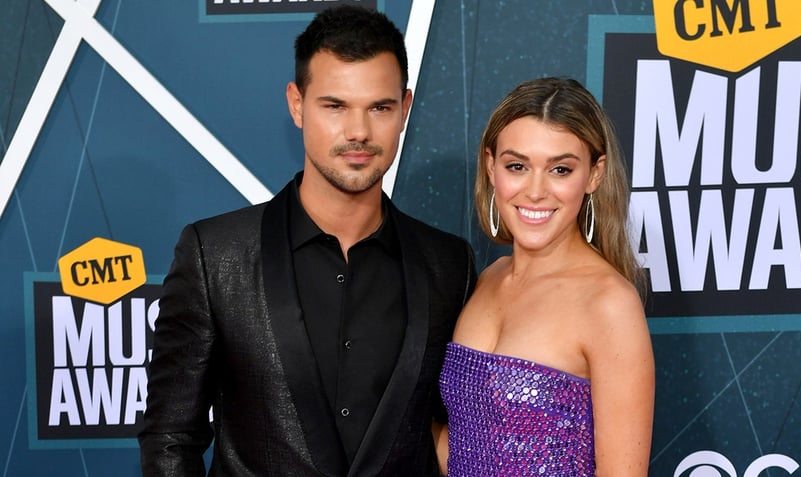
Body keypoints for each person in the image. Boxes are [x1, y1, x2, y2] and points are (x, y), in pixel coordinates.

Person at [138, 5, 476, 476]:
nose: (358, 132)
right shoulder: (214, 257)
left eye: (379, 107)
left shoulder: (449, 266)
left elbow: (455, 431)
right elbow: (170, 438)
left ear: (405, 108)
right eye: (334, 106)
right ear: (297, 104)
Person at [436, 77, 655, 476]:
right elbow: (464, 449)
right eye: (517, 166)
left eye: (560, 169)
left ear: (594, 174)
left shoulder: (610, 305)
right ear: (491, 166)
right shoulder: (488, 278)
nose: (535, 191)